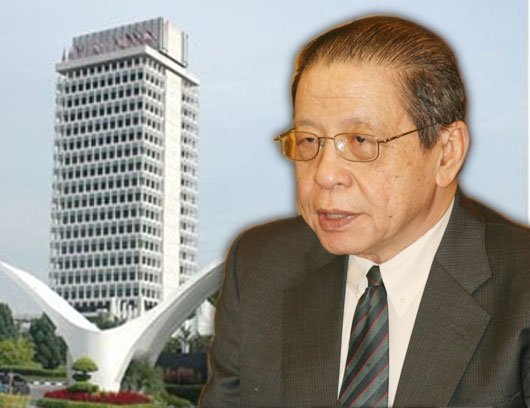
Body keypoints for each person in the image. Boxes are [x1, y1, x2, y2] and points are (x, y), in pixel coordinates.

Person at [199, 15, 530, 407]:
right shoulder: (260, 266)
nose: (324, 174)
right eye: (308, 141)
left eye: (360, 141)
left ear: (446, 153)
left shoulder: (521, 285)